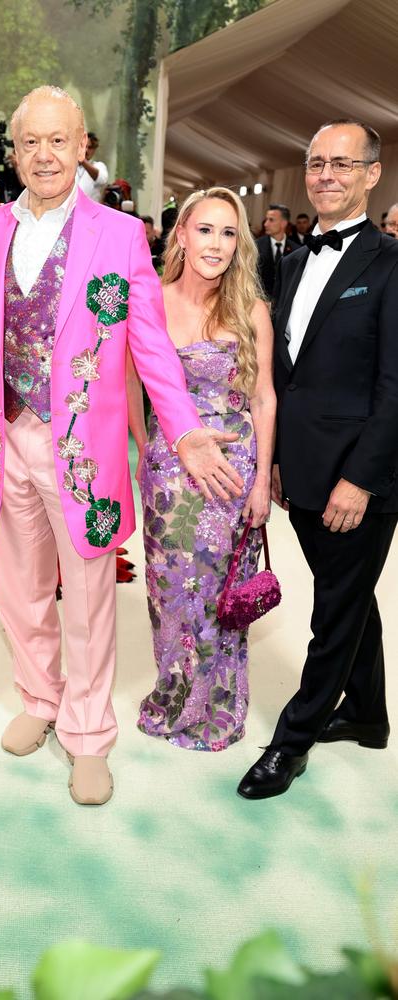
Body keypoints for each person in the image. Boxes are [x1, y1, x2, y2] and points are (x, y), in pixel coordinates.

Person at [0, 85, 243, 805]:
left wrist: (185, 427)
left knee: (89, 601)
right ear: (15, 153)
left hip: (83, 450)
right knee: (18, 591)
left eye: (58, 140)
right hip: (1, 438)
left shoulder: (120, 235)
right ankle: (40, 699)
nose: (44, 154)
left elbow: (153, 348)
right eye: (30, 142)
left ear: (82, 147)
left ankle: (87, 732)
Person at [238, 118, 398, 800]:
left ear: (371, 174)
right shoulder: (295, 260)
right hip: (298, 470)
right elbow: (288, 374)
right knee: (350, 594)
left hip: (361, 477)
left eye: (341, 164)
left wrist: (359, 479)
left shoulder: (392, 265)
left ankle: (292, 741)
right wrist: (275, 459)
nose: (325, 175)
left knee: (333, 609)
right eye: (315, 164)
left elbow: (397, 386)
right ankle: (365, 715)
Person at [130, 188, 275, 750]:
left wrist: (262, 481)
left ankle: (217, 705)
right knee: (170, 591)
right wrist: (149, 449)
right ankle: (174, 694)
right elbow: (129, 383)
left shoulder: (250, 310)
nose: (216, 243)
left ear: (239, 245)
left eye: (229, 232)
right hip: (170, 475)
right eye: (206, 229)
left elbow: (263, 399)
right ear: (182, 234)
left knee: (221, 595)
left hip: (233, 475)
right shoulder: (152, 302)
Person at [255, 204, 300, 299]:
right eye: (266, 219)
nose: (265, 224)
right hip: (260, 303)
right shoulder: (255, 246)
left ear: (284, 223)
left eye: (271, 220)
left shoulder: (297, 250)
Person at [75, 130, 108, 202]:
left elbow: (101, 180)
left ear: (94, 149)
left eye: (89, 147)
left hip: (90, 211)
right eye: (84, 146)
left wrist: (82, 160)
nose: (86, 150)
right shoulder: (71, 166)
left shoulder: (99, 166)